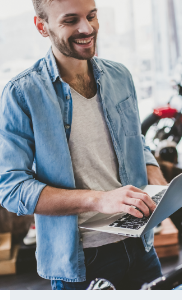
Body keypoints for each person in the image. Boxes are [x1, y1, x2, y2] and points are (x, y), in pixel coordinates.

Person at [0, 0, 168, 290]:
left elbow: (135, 142)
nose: (87, 28)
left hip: (140, 244)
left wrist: (157, 178)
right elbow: (11, 188)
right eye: (70, 20)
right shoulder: (22, 94)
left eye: (91, 16)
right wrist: (98, 199)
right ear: (42, 26)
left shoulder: (120, 76)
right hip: (80, 261)